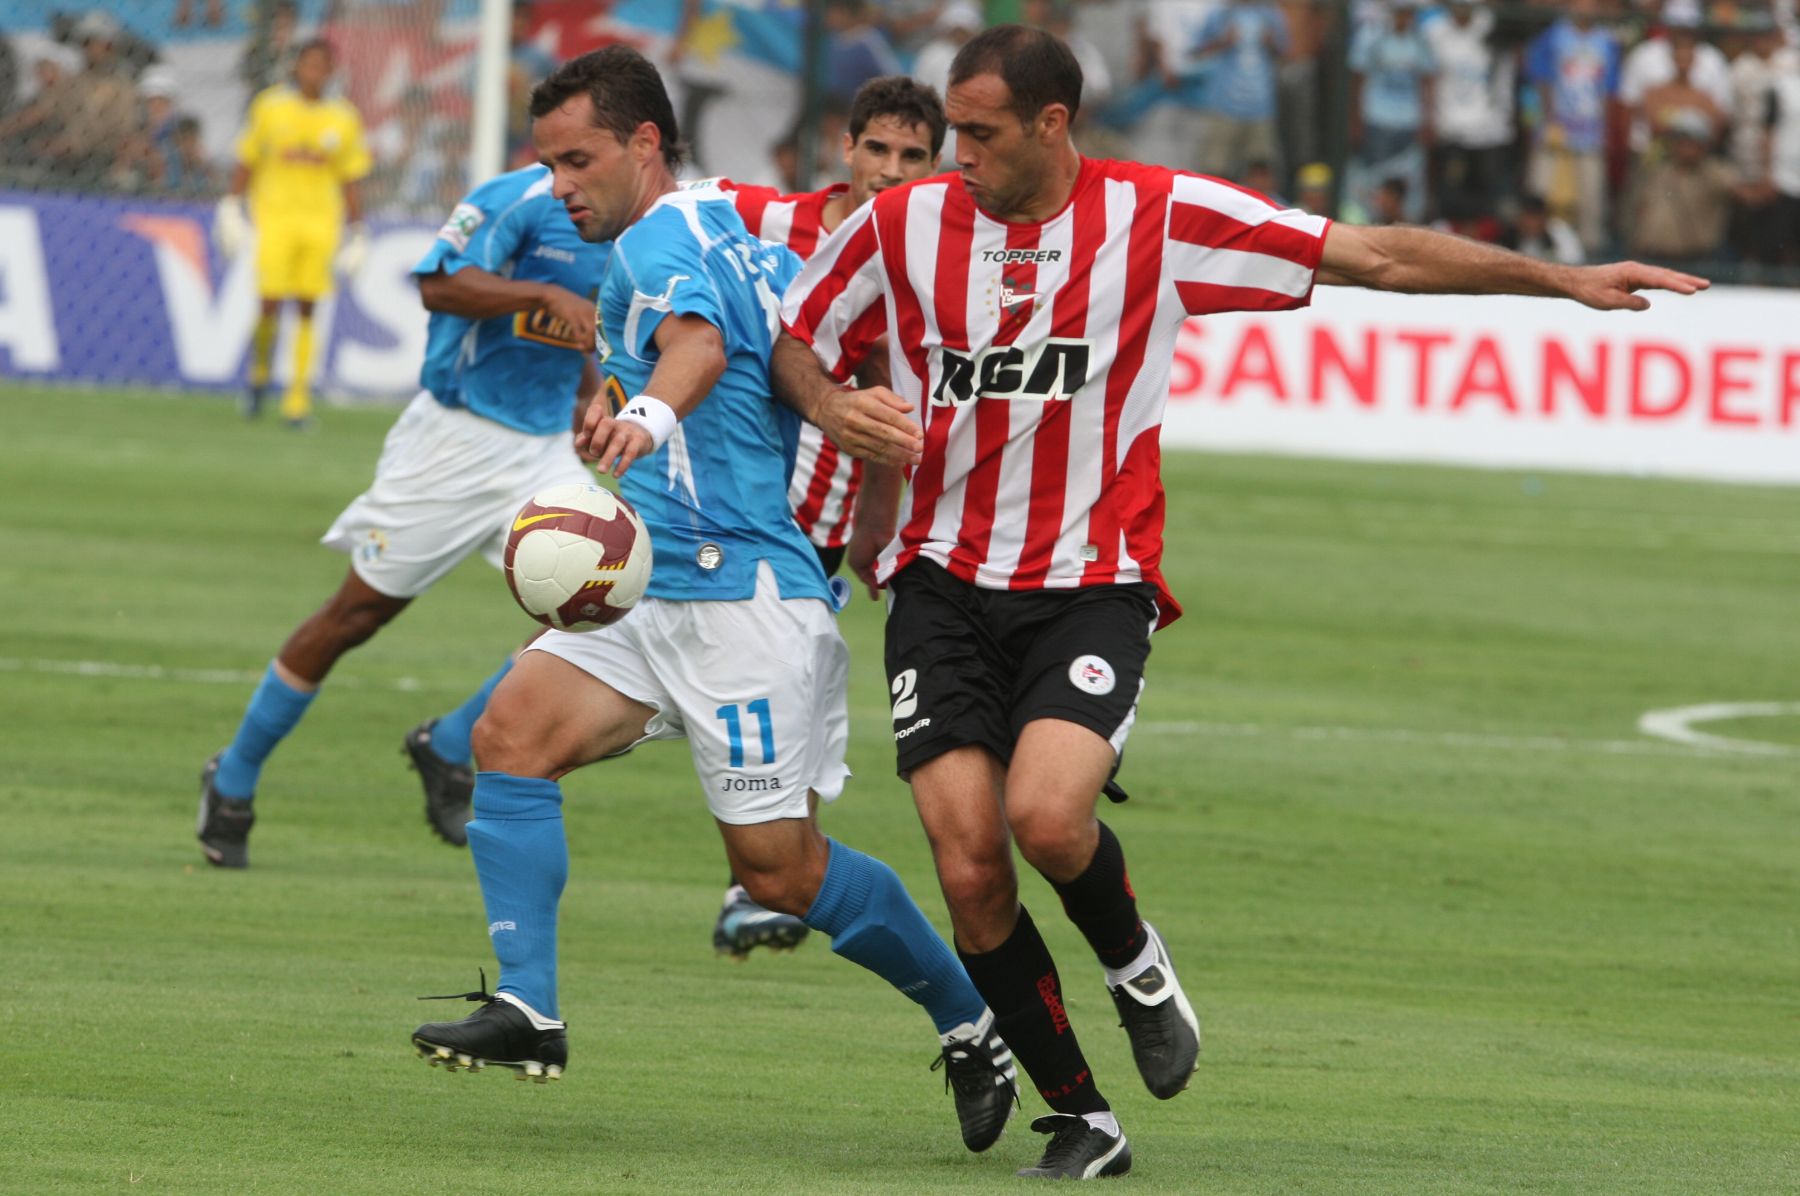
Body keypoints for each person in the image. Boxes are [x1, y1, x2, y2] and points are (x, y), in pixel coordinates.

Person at [772, 23, 1705, 1181]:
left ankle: (1136, 963)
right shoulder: (901, 227)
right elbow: (794, 339)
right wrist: (827, 406)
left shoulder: (1157, 218)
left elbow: (1377, 257)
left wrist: (1560, 279)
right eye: (948, 131)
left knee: (1049, 818)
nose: (950, 154)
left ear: (1053, 125)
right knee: (967, 863)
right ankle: (1084, 1117)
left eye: (978, 132)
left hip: (1090, 579)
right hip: (939, 579)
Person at [409, 47, 1020, 1160]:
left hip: (743, 599)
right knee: (508, 733)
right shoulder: (705, 229)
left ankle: (974, 1021)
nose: (560, 187)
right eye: (548, 166)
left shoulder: (661, 239)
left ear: (645, 144)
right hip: (655, 585)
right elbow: (755, 350)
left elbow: (698, 343)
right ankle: (532, 1009)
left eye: (577, 160)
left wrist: (643, 417)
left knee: (779, 871)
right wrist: (624, 419)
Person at [196, 162, 606, 869]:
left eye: (570, 150)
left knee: (598, 603)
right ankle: (232, 777)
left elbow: (586, 327)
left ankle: (450, 744)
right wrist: (540, 290)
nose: (555, 165)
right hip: (454, 442)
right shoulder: (518, 199)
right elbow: (439, 285)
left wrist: (589, 396)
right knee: (355, 616)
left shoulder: (635, 220)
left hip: (542, 451)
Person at [707, 73, 948, 958]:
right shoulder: (773, 220)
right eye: (876, 149)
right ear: (844, 149)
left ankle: (765, 886)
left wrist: (881, 528)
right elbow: (670, 204)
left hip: (824, 517)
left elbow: (899, 401)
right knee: (767, 696)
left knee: (799, 699)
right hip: (732, 505)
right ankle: (759, 886)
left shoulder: (932, 257)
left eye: (912, 156)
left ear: (936, 165)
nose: (889, 169)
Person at [215, 38, 370, 427]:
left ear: (331, 71)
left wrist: (357, 229)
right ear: (296, 67)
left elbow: (349, 178)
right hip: (275, 219)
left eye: (322, 65)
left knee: (307, 307)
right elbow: (248, 157)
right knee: (269, 302)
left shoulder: (343, 117)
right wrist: (232, 205)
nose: (315, 72)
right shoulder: (270, 107)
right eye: (309, 64)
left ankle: (297, 401)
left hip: (320, 223)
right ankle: (258, 377)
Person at [1524, 0, 1622, 253]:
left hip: (1591, 132)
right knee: (1541, 193)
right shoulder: (1553, 36)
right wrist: (1544, 124)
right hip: (1555, 130)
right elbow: (1541, 82)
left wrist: (1607, 131)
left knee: (1591, 197)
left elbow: (1609, 92)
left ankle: (1590, 252)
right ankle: (1532, 247)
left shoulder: (1607, 42)